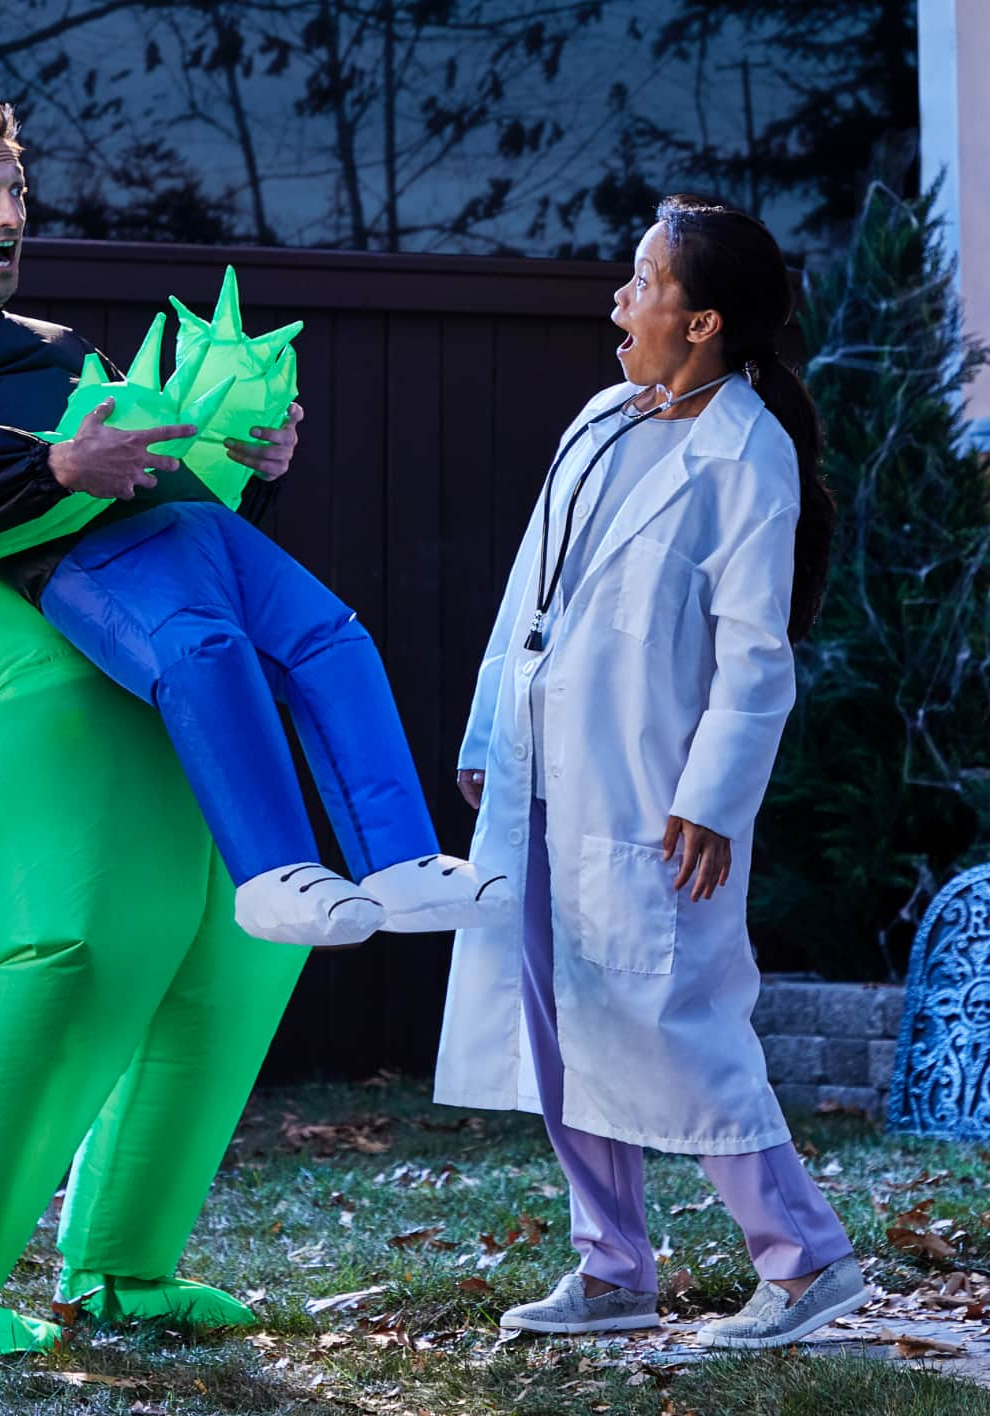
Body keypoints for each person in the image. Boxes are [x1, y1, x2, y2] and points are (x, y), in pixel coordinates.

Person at [0, 87, 511, 949]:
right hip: (89, 555)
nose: (11, 213)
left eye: (17, 192)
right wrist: (53, 464)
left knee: (332, 641)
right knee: (203, 652)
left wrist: (249, 462)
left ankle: (404, 865)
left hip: (201, 533)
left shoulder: (59, 342)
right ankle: (275, 873)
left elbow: (161, 461)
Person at [434, 195, 868, 1350]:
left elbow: (756, 652)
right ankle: (614, 1267)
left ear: (706, 320)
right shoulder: (598, 421)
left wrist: (712, 798)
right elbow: (531, 590)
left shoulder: (748, 453)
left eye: (644, 281)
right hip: (544, 778)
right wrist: (490, 733)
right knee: (557, 1023)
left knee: (681, 1023)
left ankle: (806, 1259)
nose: (620, 301)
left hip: (654, 797)